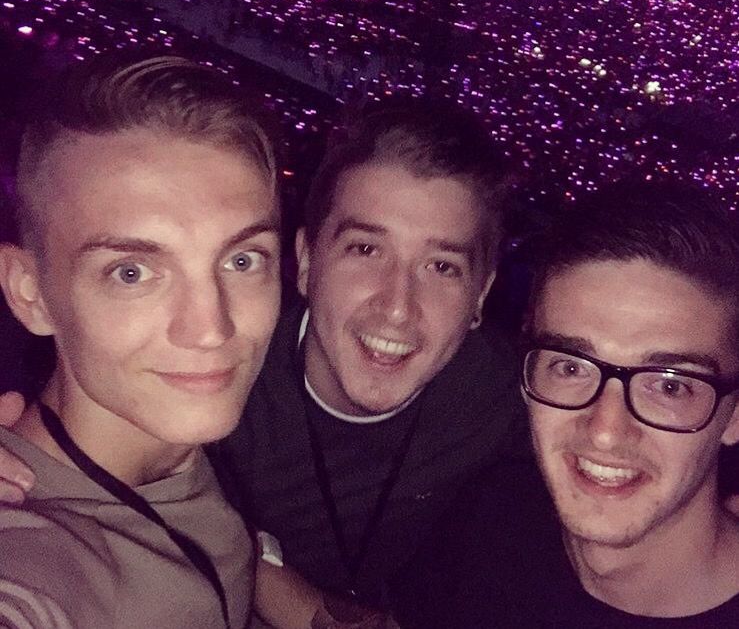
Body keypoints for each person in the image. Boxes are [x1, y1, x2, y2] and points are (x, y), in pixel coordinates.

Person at [0, 99, 525, 613]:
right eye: (365, 249)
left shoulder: (504, 395)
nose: (396, 308)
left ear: (480, 296)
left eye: (442, 267)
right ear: (305, 261)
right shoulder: (207, 381)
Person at [0, 53, 282, 628]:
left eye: (242, 259)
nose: (211, 328)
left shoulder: (184, 452)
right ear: (31, 293)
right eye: (131, 273)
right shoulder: (33, 552)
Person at [393, 180, 739, 627]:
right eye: (571, 368)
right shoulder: (488, 522)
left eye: (670, 386)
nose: (605, 431)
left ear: (734, 415)